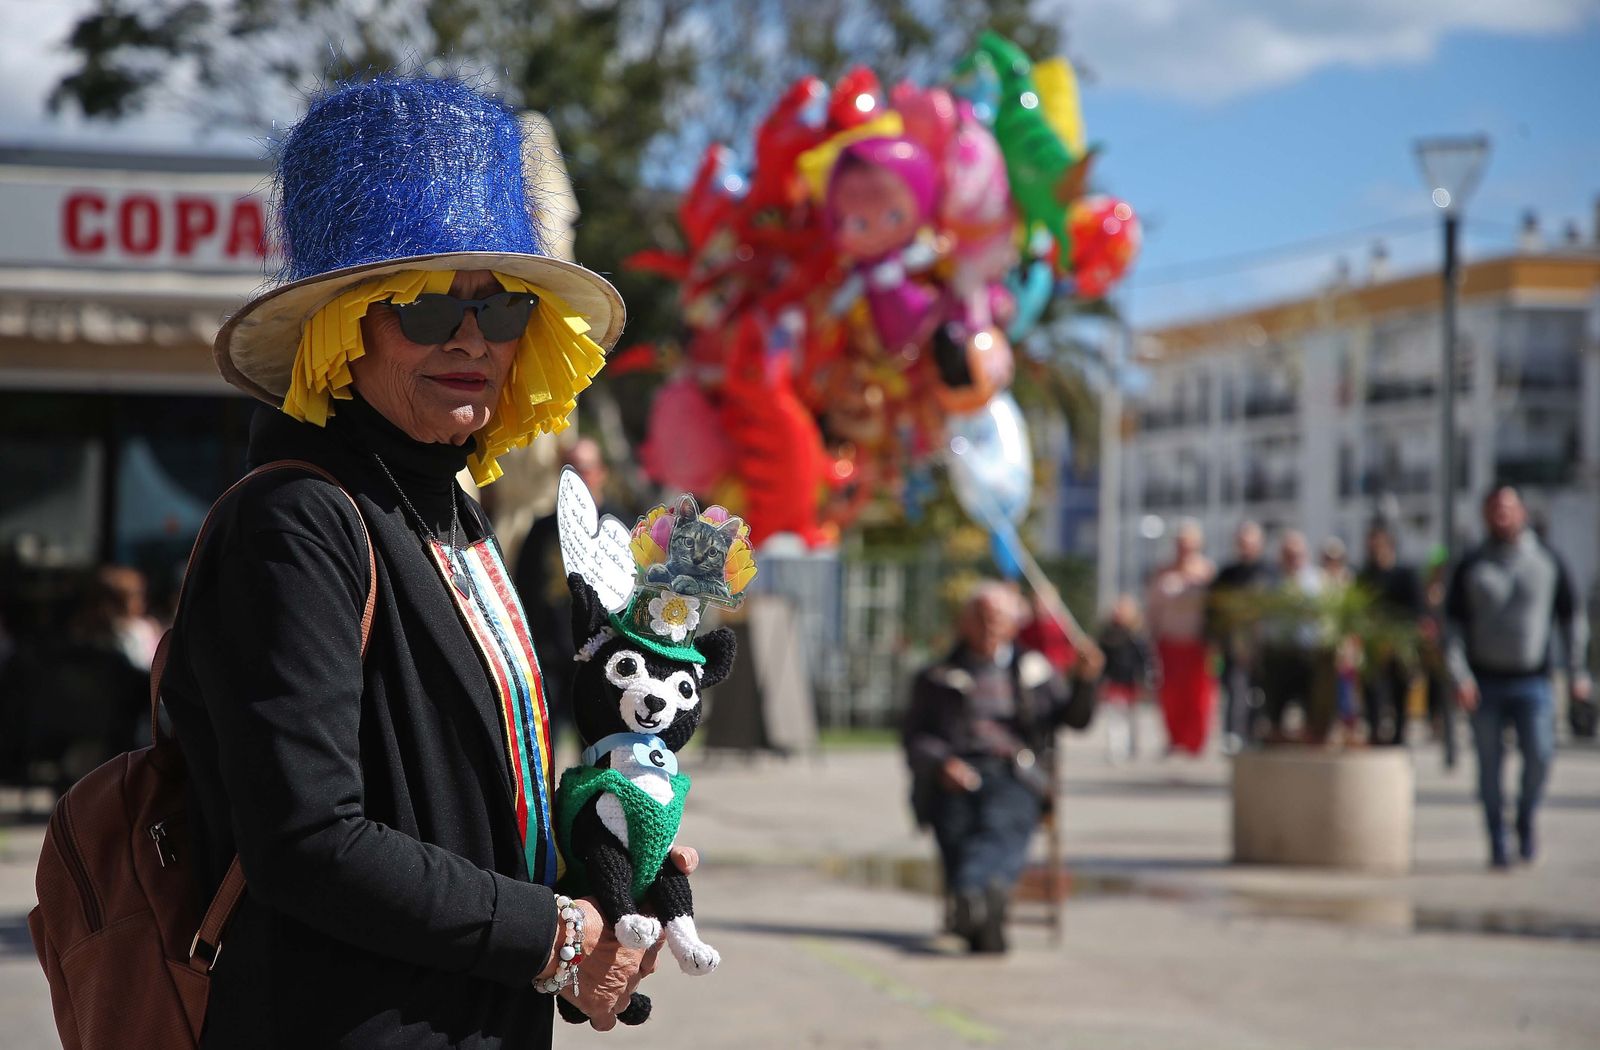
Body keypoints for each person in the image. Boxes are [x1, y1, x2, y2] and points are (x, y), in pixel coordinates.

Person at [160, 74, 688, 1048]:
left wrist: (602, 869)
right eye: (428, 303)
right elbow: (310, 843)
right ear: (343, 326)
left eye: (499, 311)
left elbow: (459, 813)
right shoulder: (296, 522)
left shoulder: (453, 514)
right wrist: (556, 936)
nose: (469, 339)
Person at [902, 582, 1085, 954]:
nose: (989, 627)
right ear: (964, 624)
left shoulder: (1034, 671)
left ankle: (969, 896)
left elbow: (1074, 718)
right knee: (954, 824)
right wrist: (943, 763)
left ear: (1012, 625)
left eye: (997, 619)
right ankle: (987, 918)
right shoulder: (937, 675)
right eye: (980, 618)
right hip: (955, 771)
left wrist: (1087, 680)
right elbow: (915, 736)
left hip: (1013, 769)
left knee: (1002, 824)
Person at [1446, 487, 1591, 869]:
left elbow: (1571, 618)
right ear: (1484, 515)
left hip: (1535, 681)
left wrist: (1578, 672)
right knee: (1490, 770)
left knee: (1541, 755)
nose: (1502, 515)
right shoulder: (1471, 565)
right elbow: (1453, 628)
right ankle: (1497, 841)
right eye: (1494, 509)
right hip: (1484, 683)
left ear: (1522, 512)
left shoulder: (1547, 559)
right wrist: (1459, 676)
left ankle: (1525, 818)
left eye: (1508, 508)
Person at [513, 437, 619, 751]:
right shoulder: (542, 530)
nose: (577, 477)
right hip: (551, 660)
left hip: (605, 658)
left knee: (601, 751)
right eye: (568, 469)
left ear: (601, 472)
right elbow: (524, 594)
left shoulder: (619, 524)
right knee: (544, 750)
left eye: (584, 468)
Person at [1145, 520, 1217, 755]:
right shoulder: (1164, 572)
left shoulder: (1207, 572)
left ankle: (1195, 740)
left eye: (1188, 545)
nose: (1183, 549)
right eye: (1180, 544)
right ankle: (1174, 738)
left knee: (1198, 694)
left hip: (1197, 644)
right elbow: (1153, 607)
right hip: (1170, 642)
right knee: (1171, 694)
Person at [1207, 520, 1275, 751]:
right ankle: (1233, 734)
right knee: (1235, 691)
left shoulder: (1270, 574)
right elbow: (1212, 611)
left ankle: (1258, 733)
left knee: (1261, 693)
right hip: (1234, 646)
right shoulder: (1227, 574)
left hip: (1263, 646)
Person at [1357, 523, 1425, 746]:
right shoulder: (1365, 576)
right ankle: (1375, 730)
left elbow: (1417, 610)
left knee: (1399, 689)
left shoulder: (1405, 575)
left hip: (1398, 644)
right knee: (1373, 689)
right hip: (1373, 644)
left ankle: (1398, 734)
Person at [1259, 530, 1329, 741]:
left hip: (1310, 653)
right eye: (1288, 554)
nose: (1292, 559)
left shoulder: (1318, 582)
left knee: (1312, 706)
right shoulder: (1271, 583)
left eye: (1296, 554)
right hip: (1278, 654)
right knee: (1275, 706)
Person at [1096, 595, 1154, 762]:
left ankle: (1131, 747)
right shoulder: (1107, 635)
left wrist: (1146, 679)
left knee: (1130, 717)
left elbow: (1144, 659)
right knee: (1114, 717)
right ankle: (1116, 748)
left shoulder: (1136, 636)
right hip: (1114, 682)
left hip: (1130, 682)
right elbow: (1102, 659)